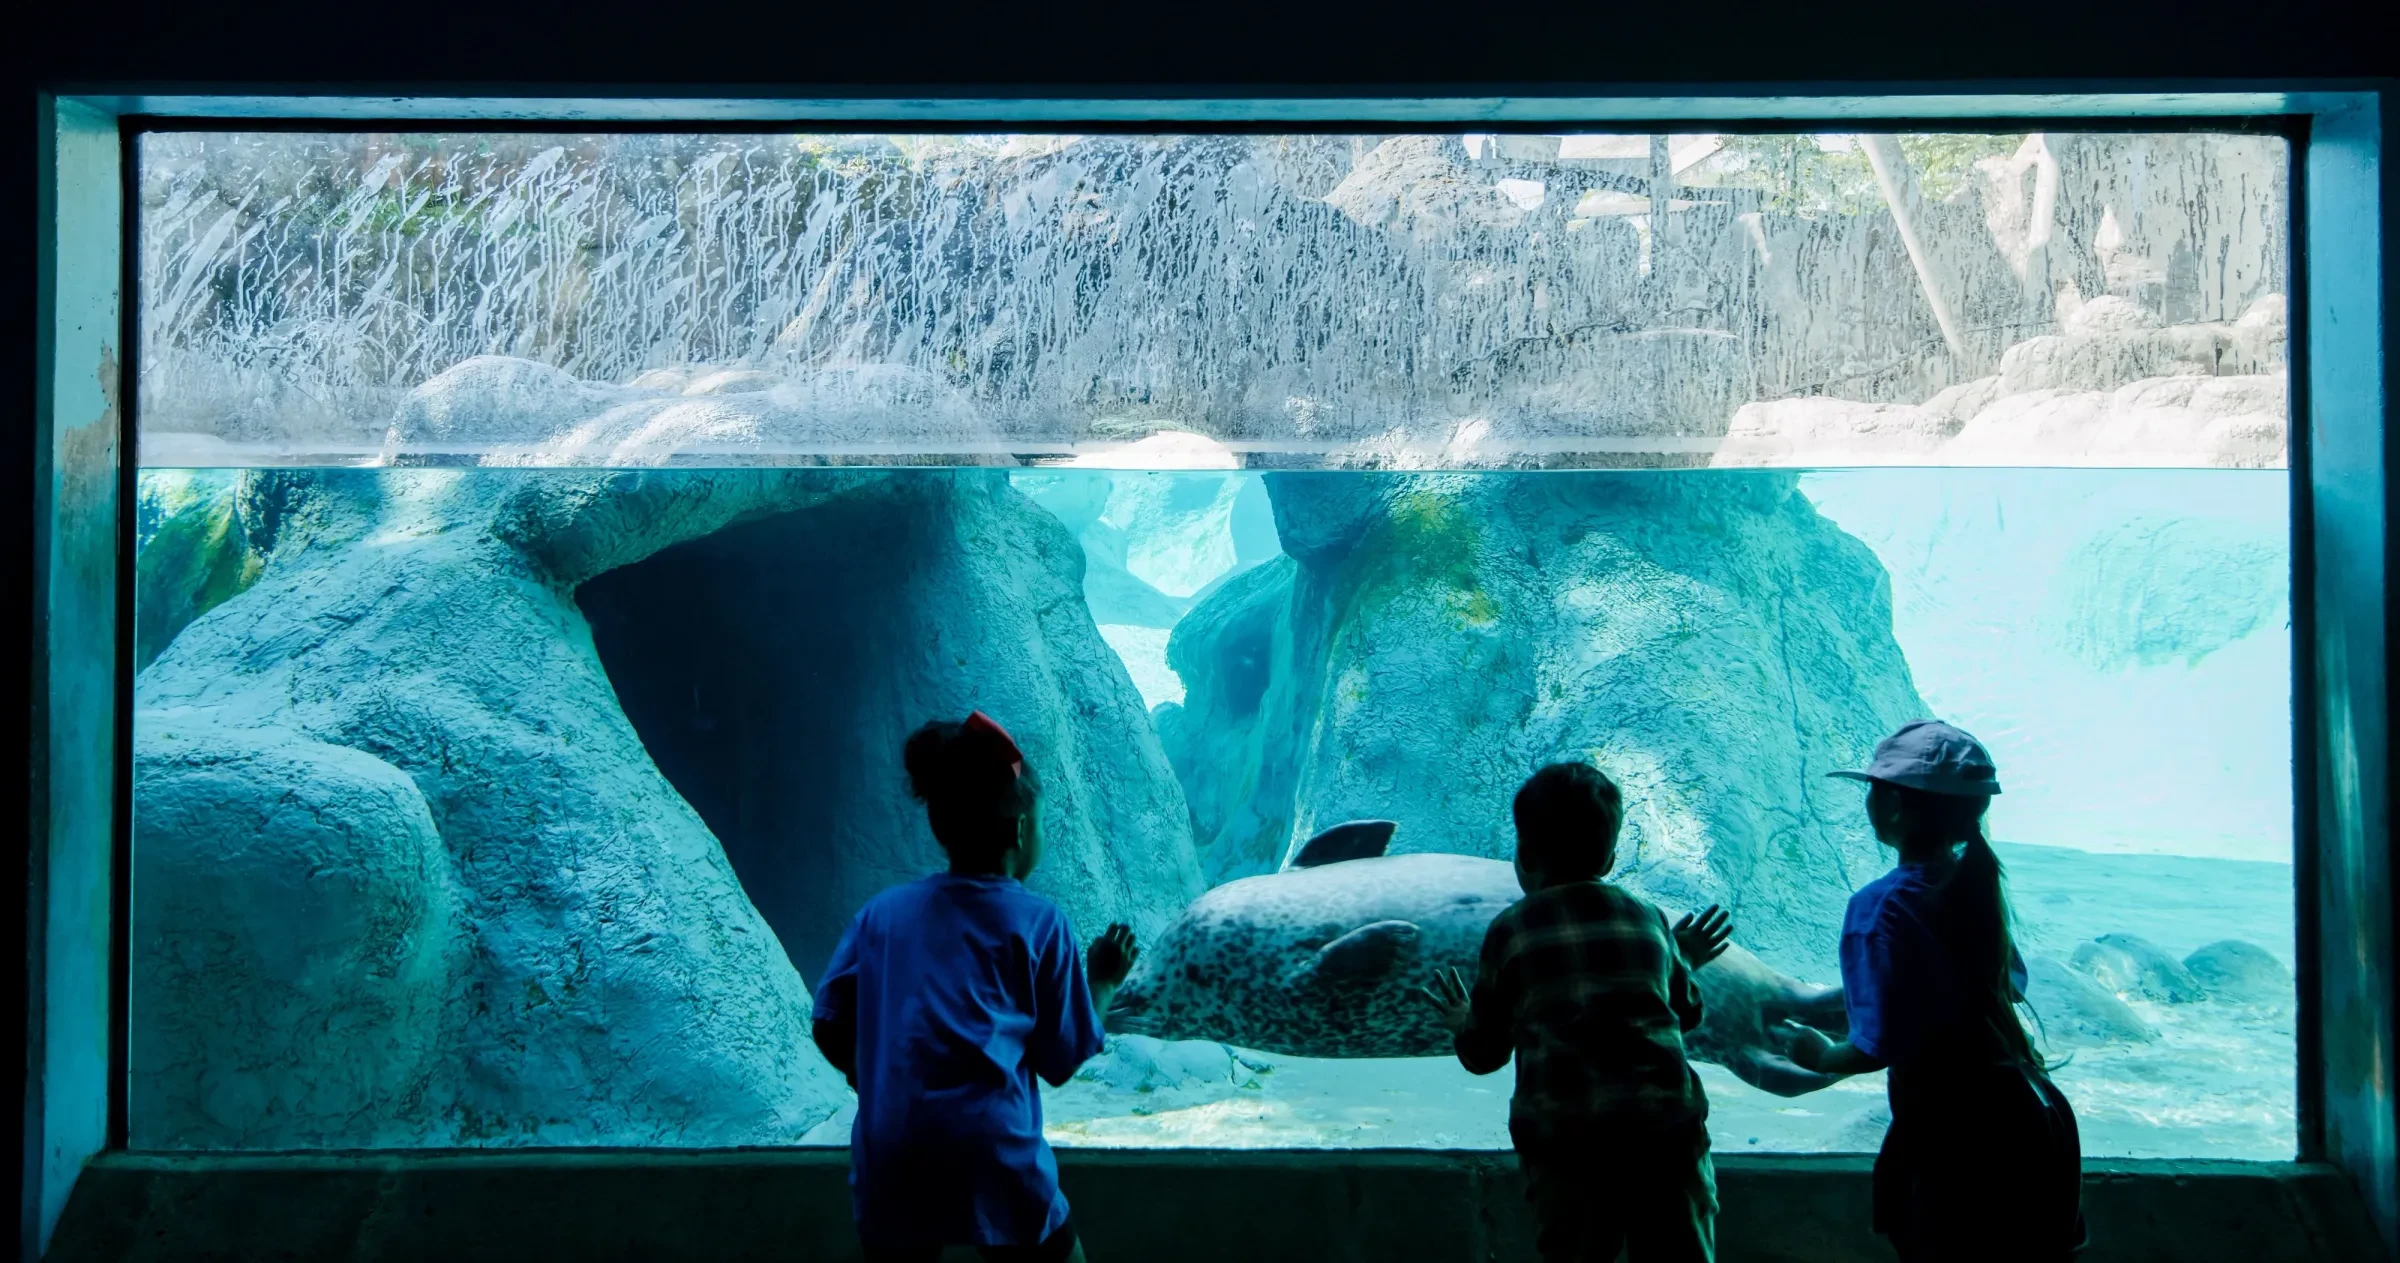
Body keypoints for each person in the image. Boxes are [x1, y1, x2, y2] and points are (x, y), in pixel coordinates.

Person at [811, 711, 1138, 1263]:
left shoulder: (880, 916)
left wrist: (881, 1081)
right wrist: (1101, 981)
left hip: (892, 1150)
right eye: (1042, 824)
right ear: (1018, 831)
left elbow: (829, 1022)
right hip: (994, 1151)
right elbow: (1060, 1060)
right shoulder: (1040, 922)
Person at [1781, 719, 2087, 1262]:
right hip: (2034, 1118)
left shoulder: (1878, 907)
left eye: (1874, 790)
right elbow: (2006, 986)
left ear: (1895, 807)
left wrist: (1819, 1055)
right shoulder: (1976, 889)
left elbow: (1874, 1046)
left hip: (1956, 1139)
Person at [1420, 760, 1734, 1263]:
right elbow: (1686, 1013)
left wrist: (1462, 1021)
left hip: (1569, 1150)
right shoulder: (1648, 918)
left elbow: (1484, 1054)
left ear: (1522, 856)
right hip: (1667, 1139)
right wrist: (1681, 955)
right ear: (1610, 859)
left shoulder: (1512, 930)